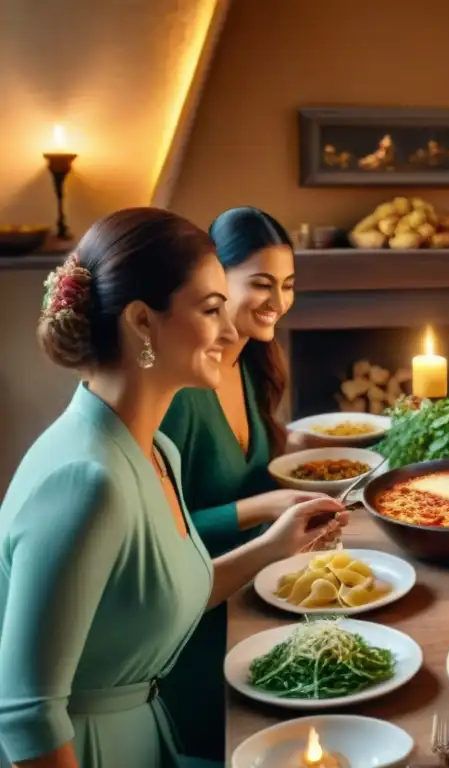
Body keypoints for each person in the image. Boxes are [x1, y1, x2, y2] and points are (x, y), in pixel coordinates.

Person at [0, 208, 347, 768]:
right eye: (212, 309)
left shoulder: (157, 450)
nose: (232, 330)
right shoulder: (85, 480)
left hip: (148, 738)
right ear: (142, 322)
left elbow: (169, 590)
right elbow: (25, 715)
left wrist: (274, 546)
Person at [158, 206, 316, 761]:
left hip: (257, 588)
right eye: (262, 284)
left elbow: (257, 459)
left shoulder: (252, 363)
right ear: (216, 281)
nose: (278, 301)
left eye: (289, 285)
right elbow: (156, 534)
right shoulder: (182, 388)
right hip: (196, 622)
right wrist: (261, 506)